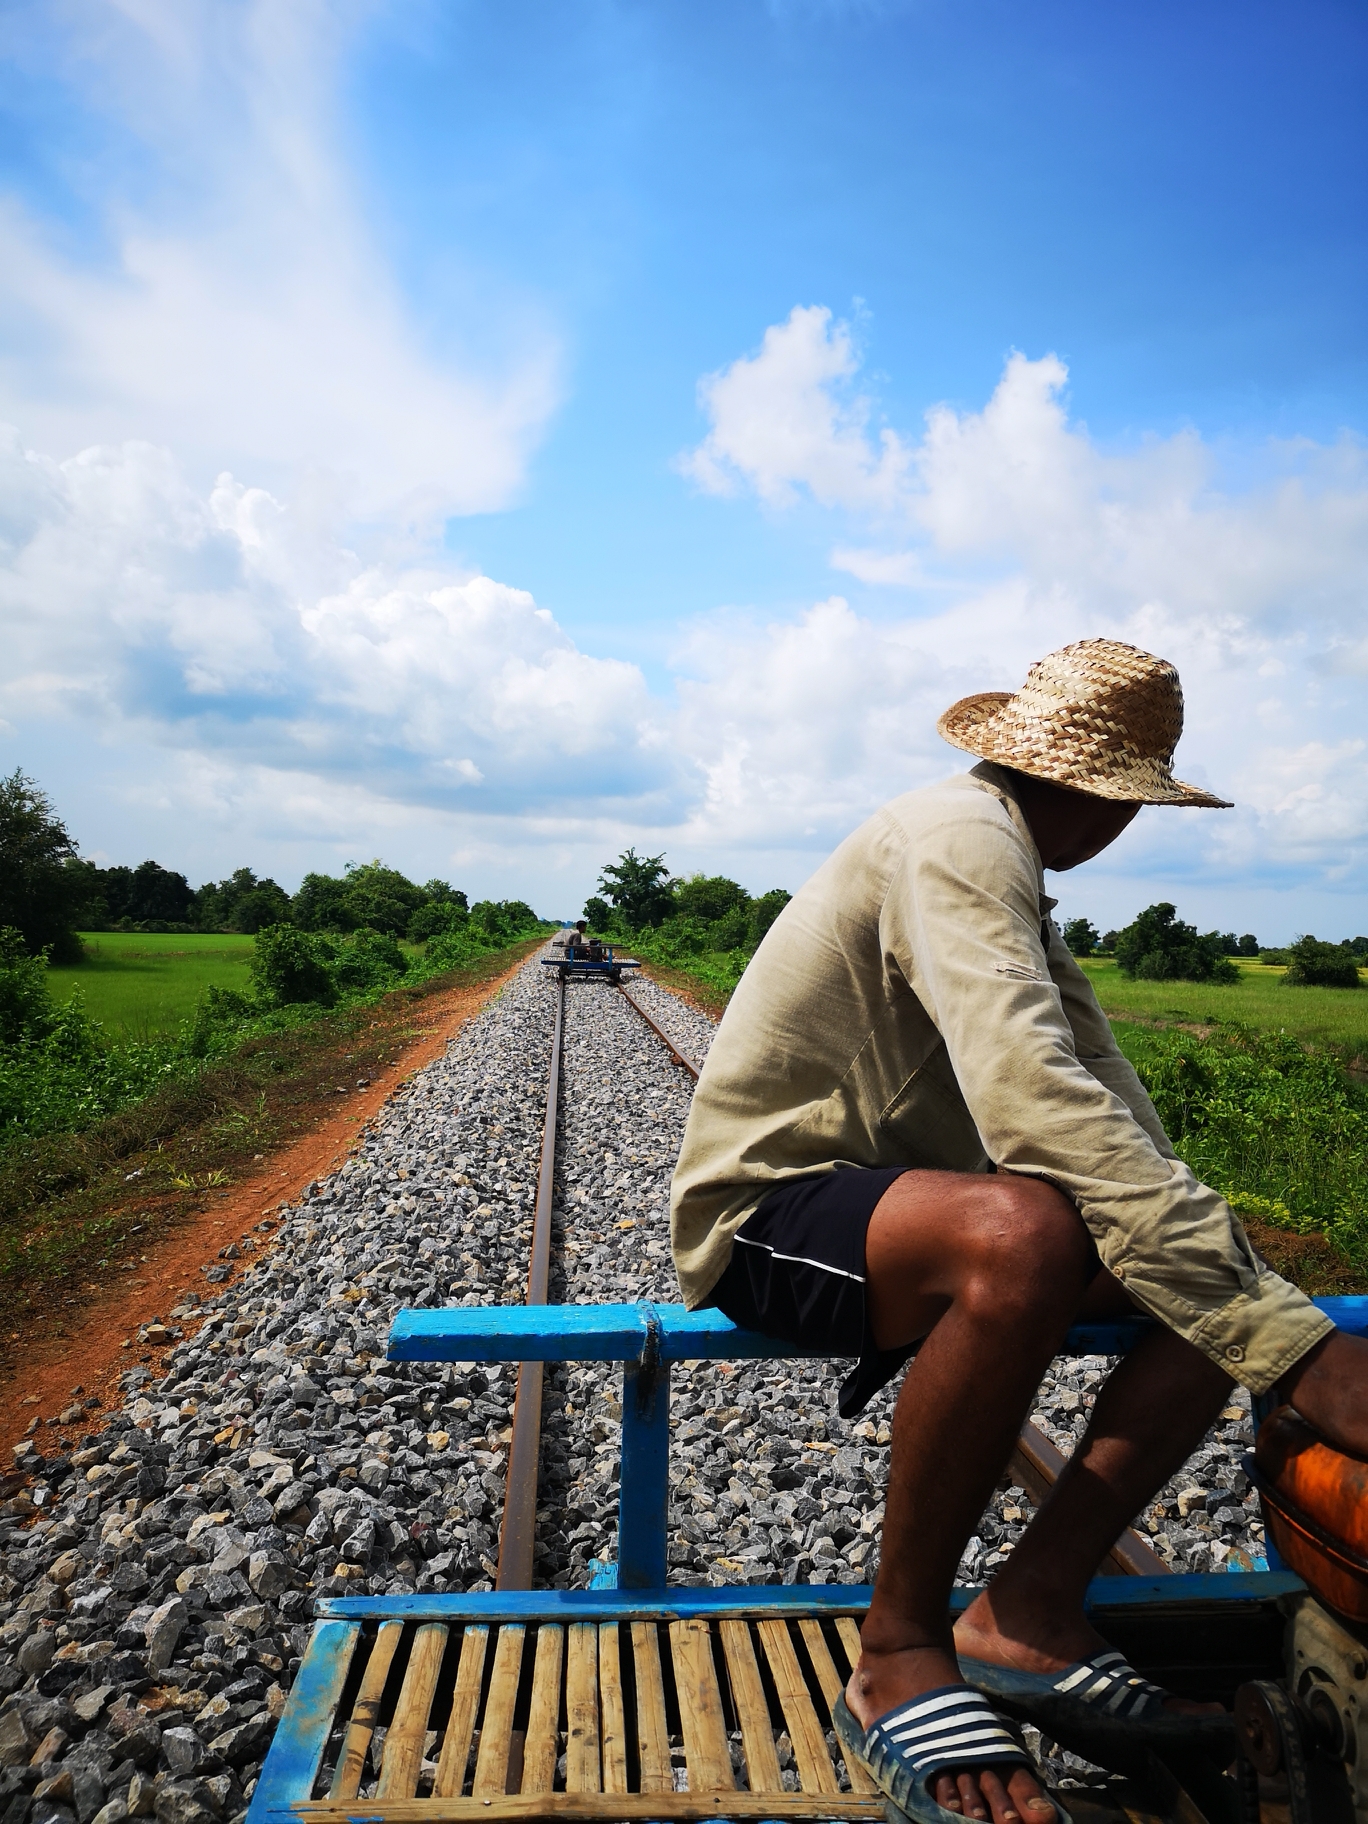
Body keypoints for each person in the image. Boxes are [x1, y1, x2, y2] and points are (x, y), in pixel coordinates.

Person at [670, 639, 1368, 1824]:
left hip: (897, 1206)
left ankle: (1028, 1609)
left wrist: (1255, 1303)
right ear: (1102, 796)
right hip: (771, 1212)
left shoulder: (1012, 874)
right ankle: (897, 1648)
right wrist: (1308, 1356)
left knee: (1198, 1270)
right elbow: (1030, 1092)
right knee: (1029, 1231)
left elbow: (1111, 1107)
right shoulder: (959, 840)